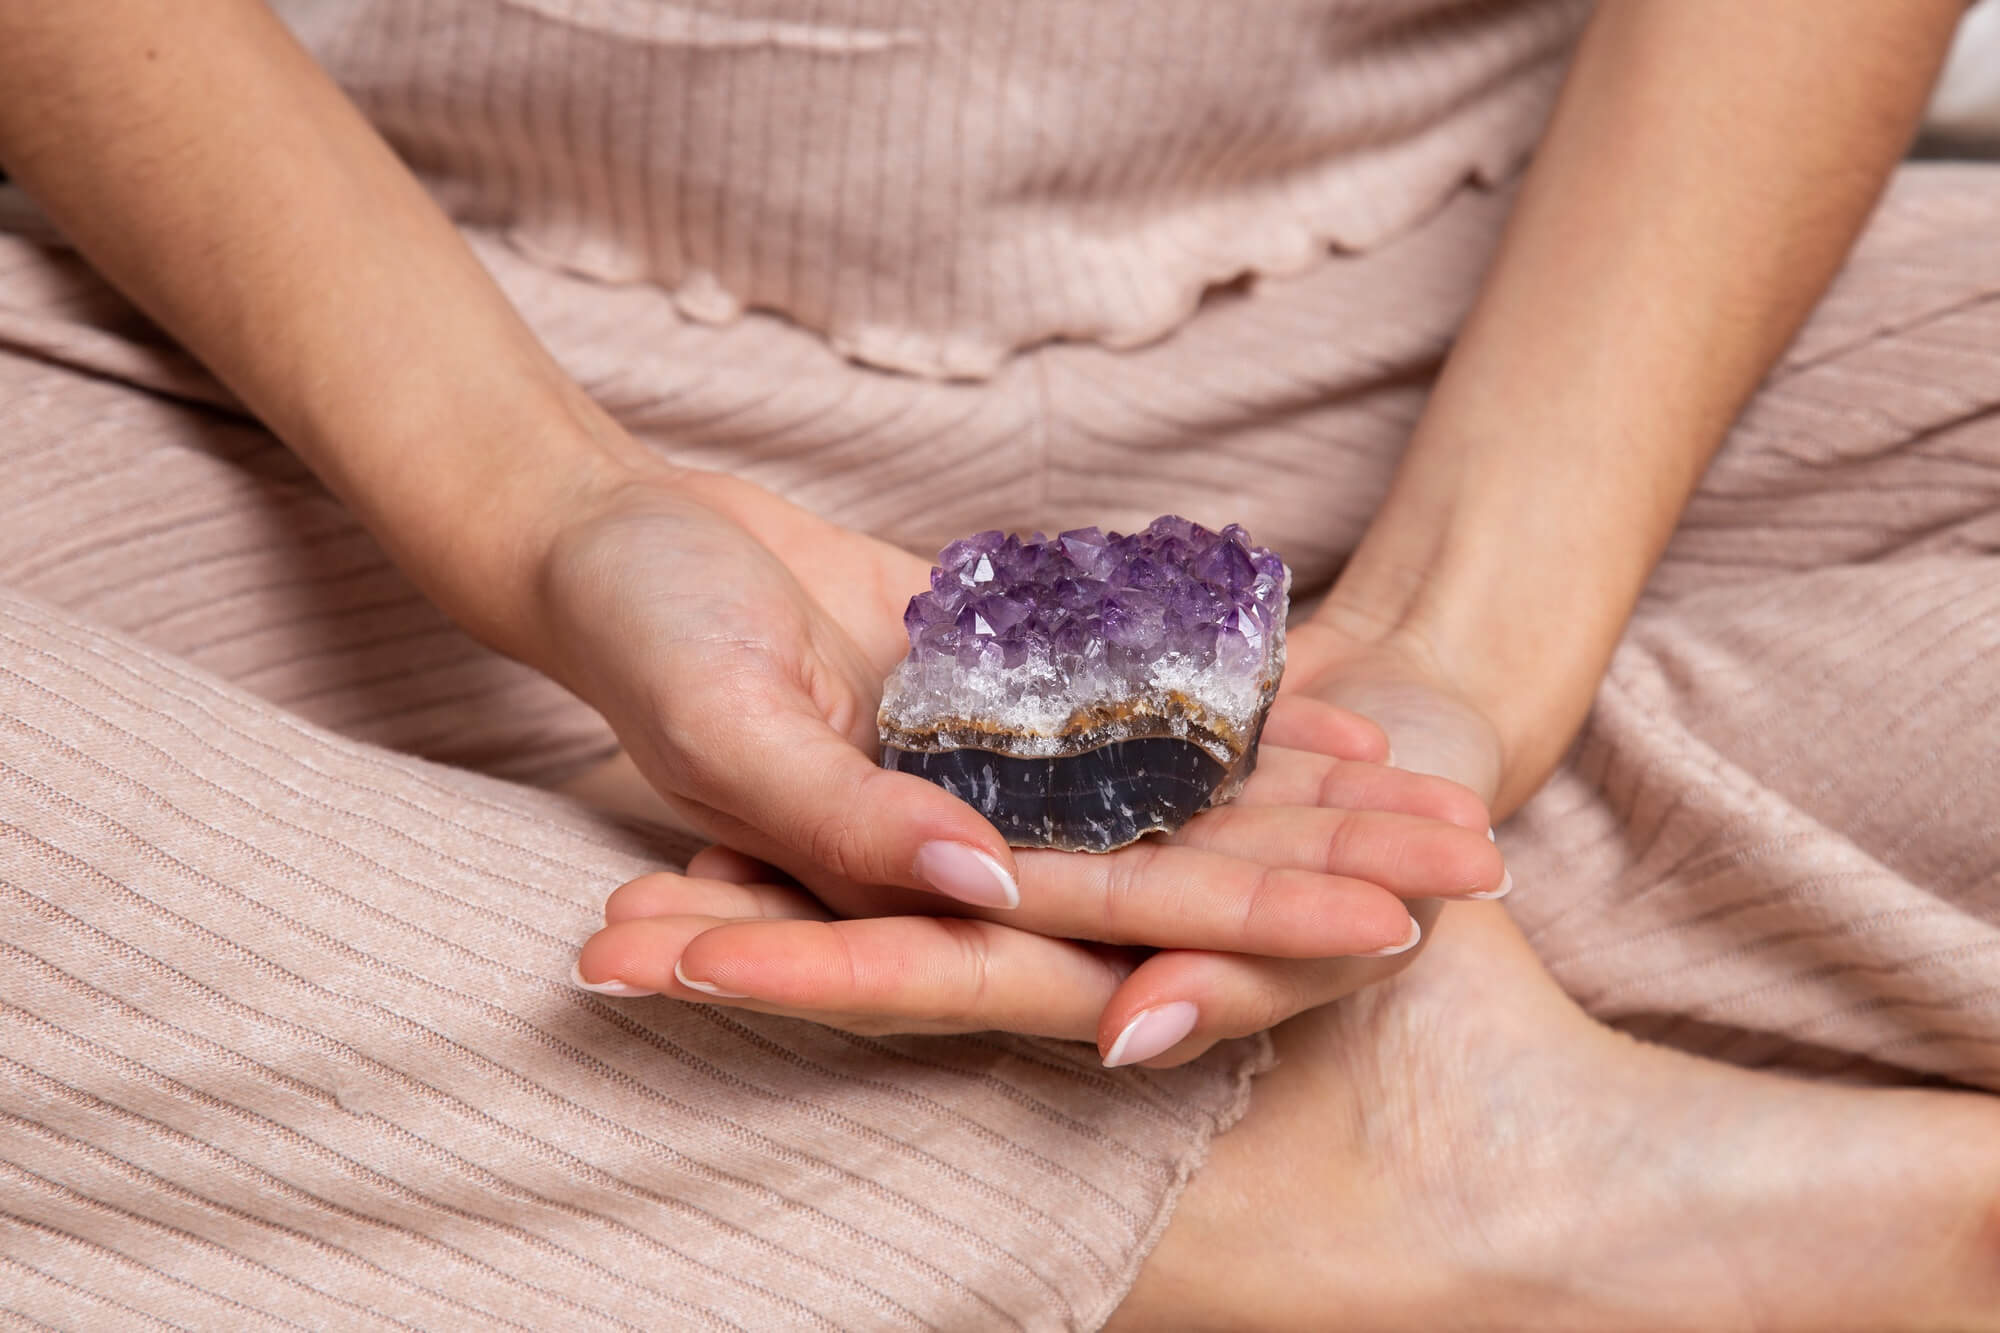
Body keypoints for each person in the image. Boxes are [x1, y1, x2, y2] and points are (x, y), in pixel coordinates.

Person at [1, 1, 1996, 1327]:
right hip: (335, 355)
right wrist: (545, 513)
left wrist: (1468, 651)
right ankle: (1357, 1194)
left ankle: (461, 985)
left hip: (1528, 307)